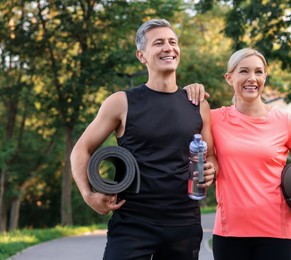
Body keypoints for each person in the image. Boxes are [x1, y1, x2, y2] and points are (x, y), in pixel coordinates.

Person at [70, 18, 217, 260]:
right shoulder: (120, 102)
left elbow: (211, 156)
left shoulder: (198, 105)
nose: (168, 48)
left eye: (173, 42)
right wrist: (88, 194)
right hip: (132, 223)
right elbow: (81, 149)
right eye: (158, 43)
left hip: (183, 223)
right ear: (141, 56)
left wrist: (211, 170)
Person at [185, 48, 291, 260]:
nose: (252, 78)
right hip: (229, 234)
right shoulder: (214, 118)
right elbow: (180, 112)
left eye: (258, 72)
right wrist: (191, 89)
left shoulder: (285, 121)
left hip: (277, 234)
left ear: (265, 77)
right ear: (229, 78)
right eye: (244, 71)